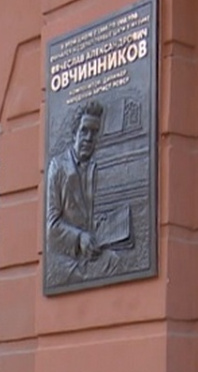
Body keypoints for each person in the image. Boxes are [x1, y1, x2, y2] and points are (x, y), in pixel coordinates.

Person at [45, 99, 123, 286]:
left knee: (116, 261)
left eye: (94, 133)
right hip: (66, 257)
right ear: (74, 133)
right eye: (84, 131)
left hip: (92, 250)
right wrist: (80, 237)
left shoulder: (95, 167)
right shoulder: (58, 167)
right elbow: (51, 226)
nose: (89, 138)